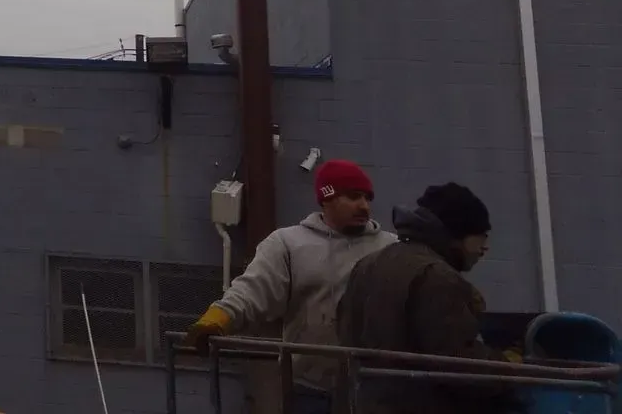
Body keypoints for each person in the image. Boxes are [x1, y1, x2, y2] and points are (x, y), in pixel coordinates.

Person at [183, 159, 395, 413]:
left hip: (373, 389)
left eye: (366, 198)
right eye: (352, 196)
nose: (363, 205)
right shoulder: (289, 244)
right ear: (326, 198)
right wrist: (218, 318)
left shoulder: (391, 249)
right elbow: (252, 289)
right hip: (310, 389)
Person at [335, 182, 512, 414]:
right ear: (459, 233)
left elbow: (344, 329)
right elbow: (458, 362)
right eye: (482, 237)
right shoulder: (437, 277)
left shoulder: (369, 263)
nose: (484, 249)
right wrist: (510, 372)